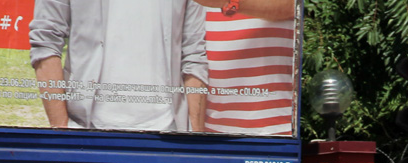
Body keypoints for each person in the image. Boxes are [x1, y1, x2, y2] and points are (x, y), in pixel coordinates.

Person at [29, 0, 209, 132]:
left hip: (169, 133)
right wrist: (62, 132)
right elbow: (46, 43)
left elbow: (194, 55)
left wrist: (195, 140)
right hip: (86, 131)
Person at [191, 0, 297, 135]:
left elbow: (291, 6)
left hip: (277, 129)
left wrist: (230, 3)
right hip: (214, 133)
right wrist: (196, 136)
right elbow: (190, 60)